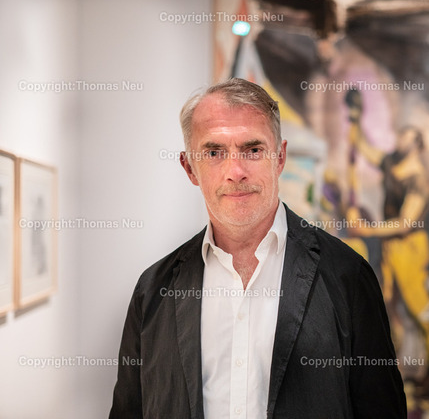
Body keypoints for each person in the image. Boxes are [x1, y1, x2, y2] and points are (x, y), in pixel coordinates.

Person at [108, 78, 406, 419]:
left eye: (252, 150)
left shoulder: (347, 276)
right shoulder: (153, 291)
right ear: (190, 168)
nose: (235, 172)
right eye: (214, 153)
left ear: (279, 157)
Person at [344, 89, 429, 376]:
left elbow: (404, 223)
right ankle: (390, 366)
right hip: (390, 247)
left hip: (410, 247)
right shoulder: (391, 163)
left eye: (406, 136)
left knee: (416, 305)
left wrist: (367, 229)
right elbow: (364, 148)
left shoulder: (420, 180)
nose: (399, 139)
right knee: (388, 305)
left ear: (417, 143)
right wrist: (355, 118)